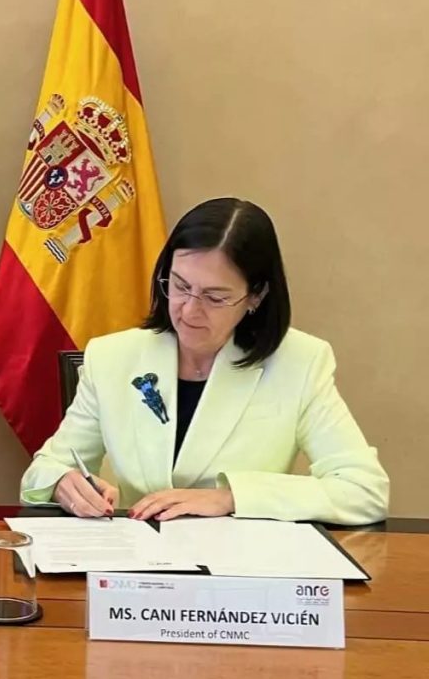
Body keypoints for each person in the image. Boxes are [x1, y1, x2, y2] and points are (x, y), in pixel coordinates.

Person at [21, 198, 389, 526]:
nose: (189, 311)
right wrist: (62, 483)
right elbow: (44, 471)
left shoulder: (301, 362)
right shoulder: (112, 357)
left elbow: (364, 491)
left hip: (243, 570)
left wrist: (231, 498)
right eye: (180, 286)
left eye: (214, 297)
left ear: (256, 296)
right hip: (136, 564)